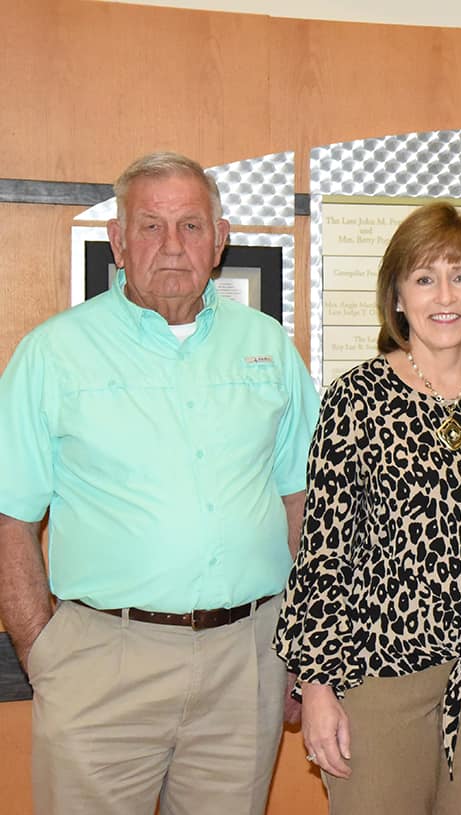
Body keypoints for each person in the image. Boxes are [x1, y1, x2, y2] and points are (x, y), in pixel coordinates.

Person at [0, 151, 319, 815]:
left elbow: (302, 502)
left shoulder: (268, 347)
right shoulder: (53, 353)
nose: (172, 246)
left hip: (247, 658)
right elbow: (10, 518)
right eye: (150, 226)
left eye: (191, 226)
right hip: (101, 663)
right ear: (117, 240)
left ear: (221, 236)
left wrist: (303, 644)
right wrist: (43, 653)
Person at [275, 202, 461, 815]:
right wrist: (315, 685)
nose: (444, 295)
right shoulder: (358, 397)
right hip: (378, 672)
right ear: (398, 296)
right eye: (424, 278)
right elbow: (325, 552)